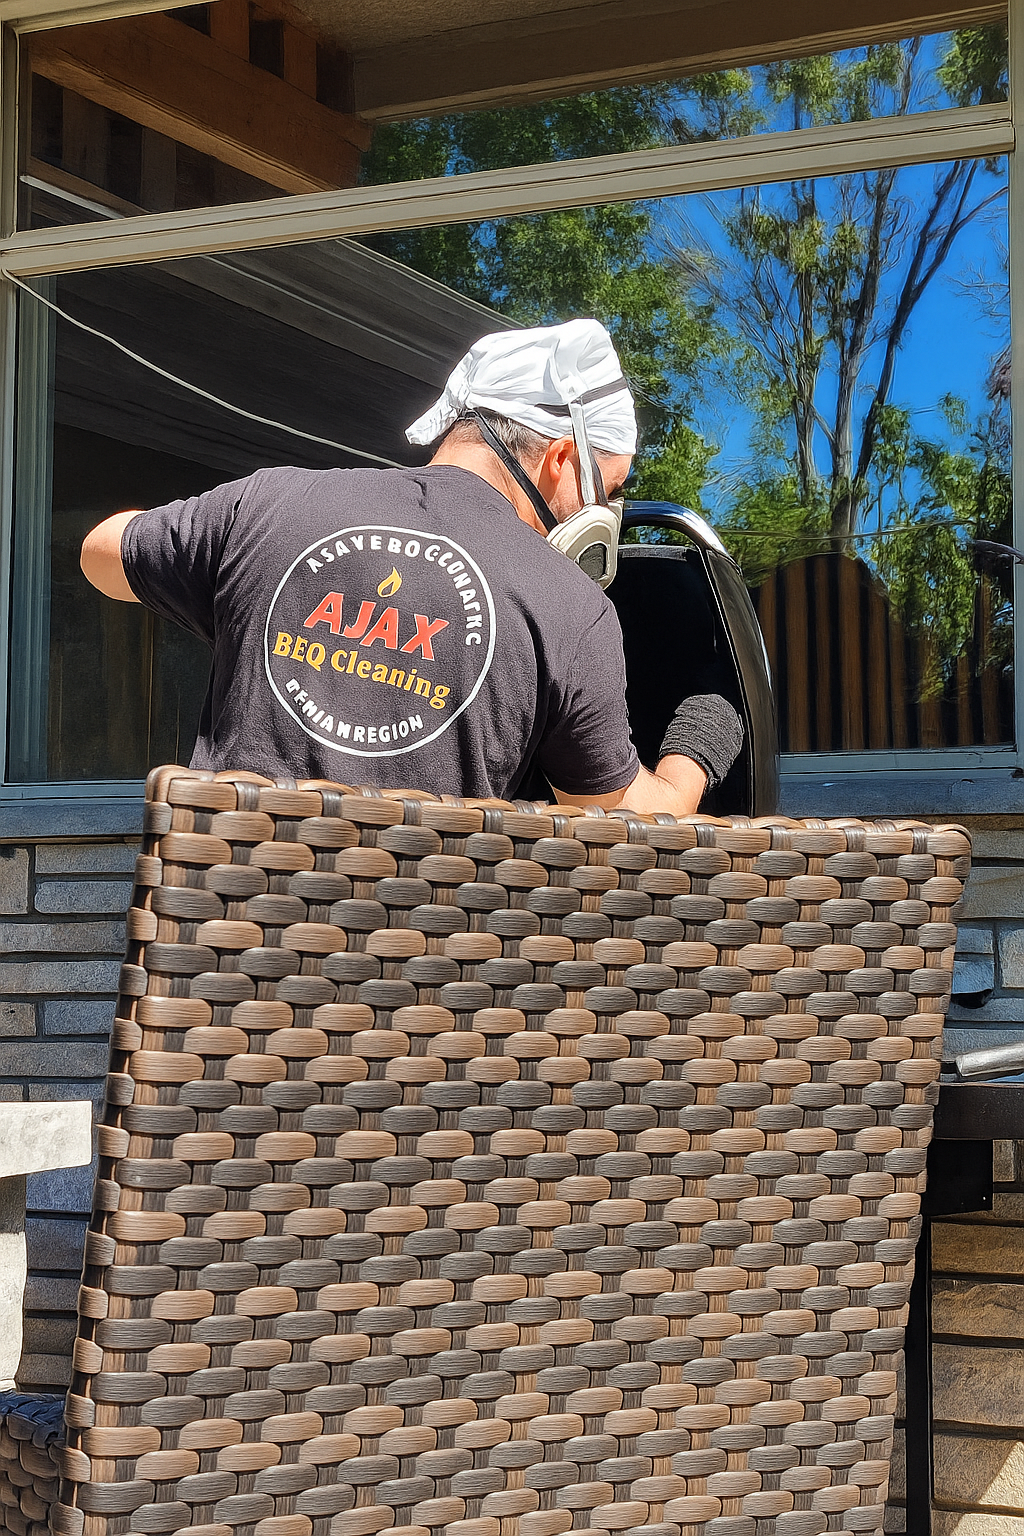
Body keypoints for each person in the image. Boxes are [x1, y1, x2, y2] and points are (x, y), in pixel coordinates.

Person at [81, 318, 741, 814]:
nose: (609, 511)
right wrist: (700, 746)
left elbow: (101, 554)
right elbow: (627, 825)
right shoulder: (570, 606)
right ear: (561, 459)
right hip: (412, 987)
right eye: (612, 489)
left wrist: (252, 604)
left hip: (210, 976)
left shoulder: (271, 503)